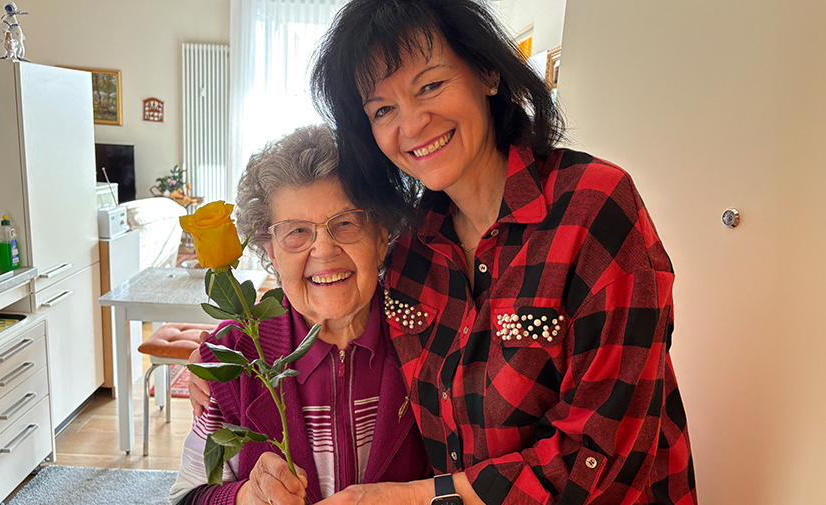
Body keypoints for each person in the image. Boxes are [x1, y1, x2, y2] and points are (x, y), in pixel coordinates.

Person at [305, 1, 698, 504]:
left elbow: (604, 452)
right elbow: (351, 337)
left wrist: (419, 497)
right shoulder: (409, 251)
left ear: (487, 72)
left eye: (430, 85)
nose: (412, 124)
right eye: (383, 109)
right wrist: (234, 360)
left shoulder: (593, 207)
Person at [171, 124, 432, 505]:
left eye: (346, 222)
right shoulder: (233, 361)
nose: (323, 251)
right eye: (296, 231)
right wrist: (245, 497)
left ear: (381, 236)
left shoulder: (433, 338)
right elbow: (186, 496)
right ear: (272, 252)